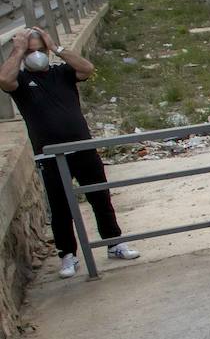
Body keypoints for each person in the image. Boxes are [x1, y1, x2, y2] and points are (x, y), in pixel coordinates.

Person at [1, 27, 139, 278]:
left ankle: (114, 242)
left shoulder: (61, 73)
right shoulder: (20, 81)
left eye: (39, 49)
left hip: (82, 149)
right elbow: (4, 80)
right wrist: (19, 50)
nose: (37, 54)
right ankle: (68, 255)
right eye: (32, 50)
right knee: (60, 207)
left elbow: (86, 69)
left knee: (100, 196)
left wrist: (56, 48)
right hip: (50, 155)